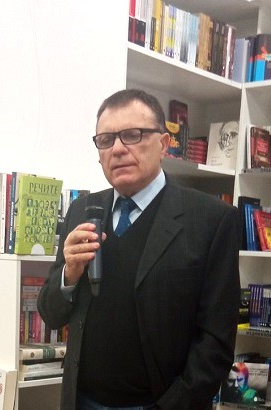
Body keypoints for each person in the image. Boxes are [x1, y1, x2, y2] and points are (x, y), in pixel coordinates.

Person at [38, 89, 240, 409]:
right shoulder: (82, 211)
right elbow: (50, 314)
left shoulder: (211, 220)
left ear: (163, 144)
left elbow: (215, 342)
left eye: (132, 135)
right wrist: (69, 274)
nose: (118, 149)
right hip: (83, 401)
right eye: (106, 140)